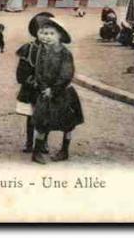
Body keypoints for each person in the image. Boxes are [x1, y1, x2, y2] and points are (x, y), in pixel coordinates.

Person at [30, 17, 84, 164]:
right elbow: (38, 71)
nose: (47, 37)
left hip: (62, 93)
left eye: (51, 34)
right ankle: (37, 152)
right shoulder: (42, 51)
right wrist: (43, 87)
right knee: (42, 122)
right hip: (45, 93)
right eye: (44, 33)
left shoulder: (65, 53)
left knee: (67, 123)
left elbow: (66, 74)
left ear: (59, 36)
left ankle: (64, 150)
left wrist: (53, 89)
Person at [16, 12, 54, 154]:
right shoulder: (29, 48)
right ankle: (29, 142)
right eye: (42, 32)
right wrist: (31, 81)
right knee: (32, 117)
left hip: (48, 89)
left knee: (47, 118)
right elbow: (21, 73)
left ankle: (43, 143)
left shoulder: (56, 50)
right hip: (33, 89)